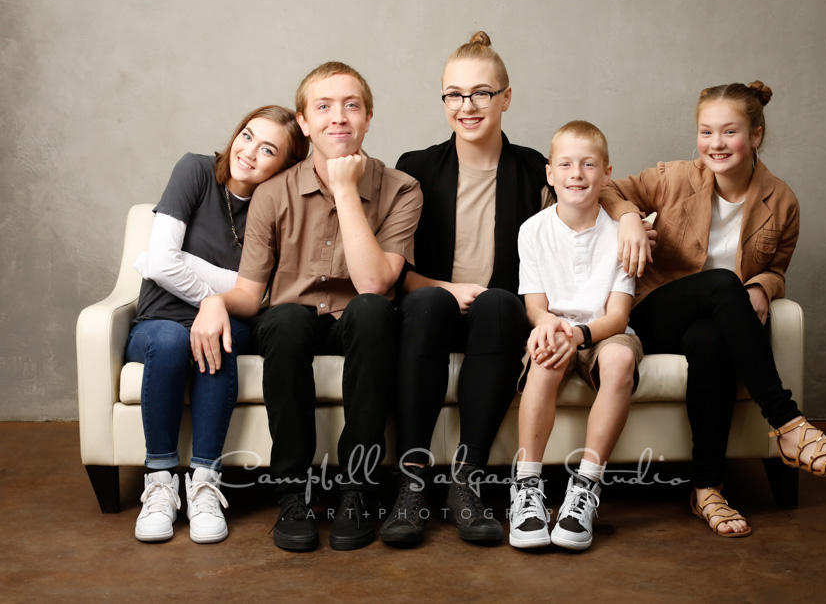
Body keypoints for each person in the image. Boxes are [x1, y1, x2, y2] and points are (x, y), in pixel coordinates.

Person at [381, 33, 639, 546]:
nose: (467, 106)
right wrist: (445, 288)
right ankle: (411, 483)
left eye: (481, 93)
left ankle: (467, 481)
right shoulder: (415, 166)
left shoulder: (530, 168)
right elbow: (398, 268)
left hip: (500, 318)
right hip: (433, 304)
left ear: (506, 97)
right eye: (454, 94)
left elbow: (586, 184)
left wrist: (628, 214)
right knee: (427, 300)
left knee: (499, 302)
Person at [611, 81, 826, 537]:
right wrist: (630, 217)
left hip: (718, 323)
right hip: (655, 313)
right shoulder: (674, 178)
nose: (716, 144)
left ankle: (706, 489)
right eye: (706, 132)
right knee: (723, 284)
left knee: (710, 340)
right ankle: (788, 422)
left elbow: (778, 268)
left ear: (757, 135)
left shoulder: (781, 201)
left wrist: (765, 285)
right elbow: (607, 189)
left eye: (729, 132)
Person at [189, 62, 423, 552]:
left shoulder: (402, 188)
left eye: (351, 105)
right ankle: (293, 490)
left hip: (362, 323)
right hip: (293, 323)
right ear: (304, 121)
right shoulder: (273, 193)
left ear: (368, 117)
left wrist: (344, 190)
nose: (338, 117)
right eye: (324, 106)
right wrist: (215, 300)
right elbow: (251, 294)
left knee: (373, 308)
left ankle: (357, 488)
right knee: (288, 318)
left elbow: (376, 282)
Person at [127, 105, 308, 544]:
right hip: (158, 320)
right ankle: (161, 482)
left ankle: (206, 483)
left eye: (268, 149)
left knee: (219, 340)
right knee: (173, 341)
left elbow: (259, 297)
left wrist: (176, 267)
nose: (248, 152)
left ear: (285, 165)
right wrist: (214, 295)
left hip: (232, 323)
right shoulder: (195, 171)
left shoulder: (278, 206)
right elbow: (163, 265)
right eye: (246, 135)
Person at [508, 121, 643, 551]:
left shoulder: (620, 232)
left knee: (620, 359)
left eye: (588, 164)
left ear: (607, 174)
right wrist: (548, 325)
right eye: (565, 164)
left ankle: (584, 488)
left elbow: (618, 317)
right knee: (546, 357)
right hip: (556, 325)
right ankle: (526, 489)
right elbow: (534, 305)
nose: (576, 173)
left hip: (601, 331)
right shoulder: (533, 230)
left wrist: (579, 334)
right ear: (549, 173)